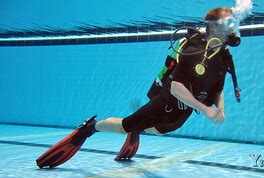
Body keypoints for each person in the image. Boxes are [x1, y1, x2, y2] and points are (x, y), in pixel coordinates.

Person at [36, 6, 249, 168]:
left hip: (184, 111)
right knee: (124, 126)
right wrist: (206, 109)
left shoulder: (224, 55)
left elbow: (218, 86)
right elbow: (176, 88)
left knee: (158, 131)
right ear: (214, 26)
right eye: (230, 22)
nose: (234, 27)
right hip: (166, 102)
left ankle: (137, 128)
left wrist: (220, 107)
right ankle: (90, 127)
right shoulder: (193, 48)